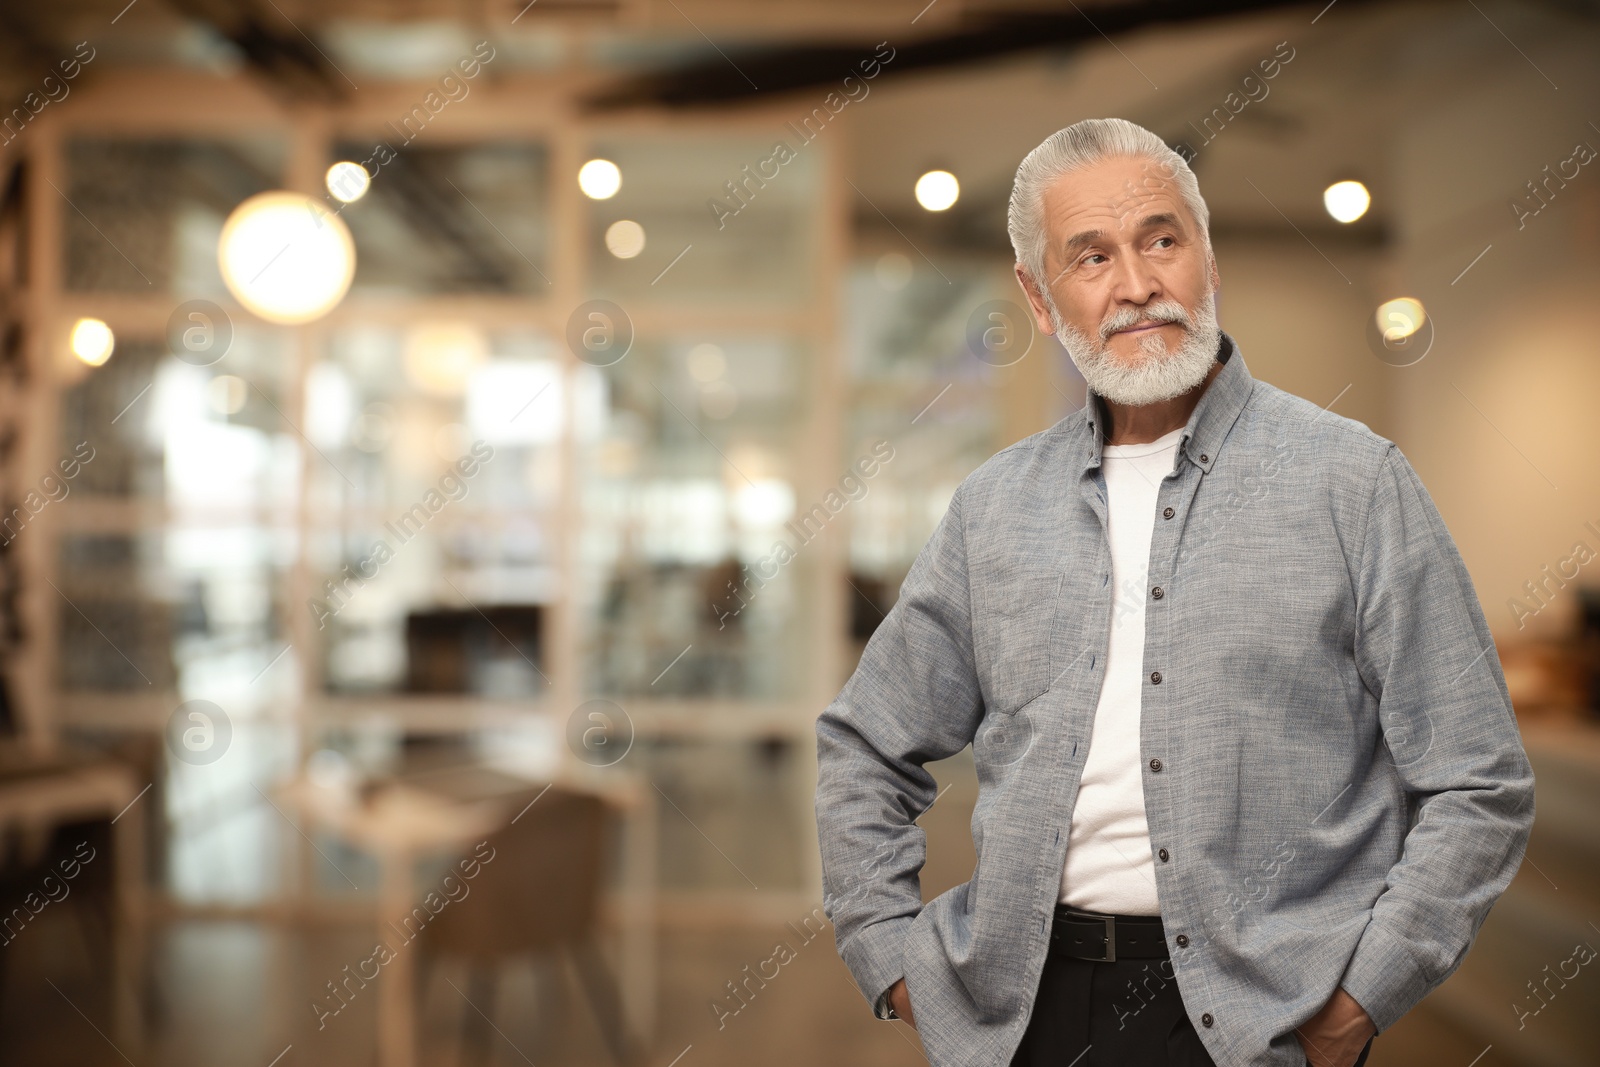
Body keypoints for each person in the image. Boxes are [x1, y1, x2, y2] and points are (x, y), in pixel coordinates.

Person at [814, 117, 1534, 1067]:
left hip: (1259, 1022)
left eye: (1161, 239)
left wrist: (1360, 997)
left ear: (1207, 258)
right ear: (1039, 297)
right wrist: (891, 956)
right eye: (1091, 256)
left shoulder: (1354, 484)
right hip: (1025, 1014)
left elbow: (1478, 780)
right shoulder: (994, 509)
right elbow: (865, 744)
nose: (1137, 284)